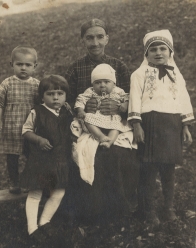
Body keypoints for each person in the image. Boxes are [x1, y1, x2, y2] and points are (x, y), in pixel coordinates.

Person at [65, 18, 140, 222]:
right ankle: (93, 210)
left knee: (118, 152)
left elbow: (132, 98)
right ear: (82, 40)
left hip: (117, 123)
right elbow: (66, 100)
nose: (95, 42)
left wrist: (121, 108)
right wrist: (79, 108)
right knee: (88, 153)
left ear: (107, 38)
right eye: (89, 38)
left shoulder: (118, 66)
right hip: (88, 125)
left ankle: (120, 207)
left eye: (100, 37)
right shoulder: (75, 68)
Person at [127, 30, 194, 228]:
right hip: (150, 124)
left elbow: (183, 100)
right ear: (146, 54)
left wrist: (185, 126)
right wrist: (137, 124)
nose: (158, 53)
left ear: (170, 52)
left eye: (163, 48)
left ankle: (168, 208)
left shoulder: (176, 75)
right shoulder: (139, 74)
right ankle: (149, 211)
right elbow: (134, 100)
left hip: (172, 125)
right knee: (149, 170)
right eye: (153, 49)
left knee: (169, 170)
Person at [20, 75, 73, 244]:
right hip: (41, 161)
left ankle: (44, 221)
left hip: (60, 161)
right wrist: (39, 140)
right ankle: (32, 228)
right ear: (42, 96)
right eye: (51, 94)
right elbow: (26, 131)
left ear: (65, 95)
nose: (56, 97)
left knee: (58, 192)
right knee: (35, 192)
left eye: (60, 93)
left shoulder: (67, 111)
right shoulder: (37, 111)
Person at [0, 46, 39, 194]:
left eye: (28, 65)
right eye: (19, 64)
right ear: (12, 65)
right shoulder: (7, 83)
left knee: (31, 155)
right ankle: (14, 182)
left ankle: (29, 181)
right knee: (12, 157)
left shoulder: (36, 85)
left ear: (35, 66)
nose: (23, 68)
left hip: (30, 129)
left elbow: (41, 105)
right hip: (12, 127)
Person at [75, 63, 129, 148]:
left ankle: (109, 142)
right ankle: (101, 136)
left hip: (112, 117)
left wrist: (125, 104)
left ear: (114, 84)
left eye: (107, 82)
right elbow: (81, 99)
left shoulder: (118, 91)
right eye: (97, 82)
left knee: (116, 126)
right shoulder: (90, 91)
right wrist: (80, 110)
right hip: (96, 116)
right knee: (87, 118)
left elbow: (127, 97)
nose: (102, 85)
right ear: (92, 84)